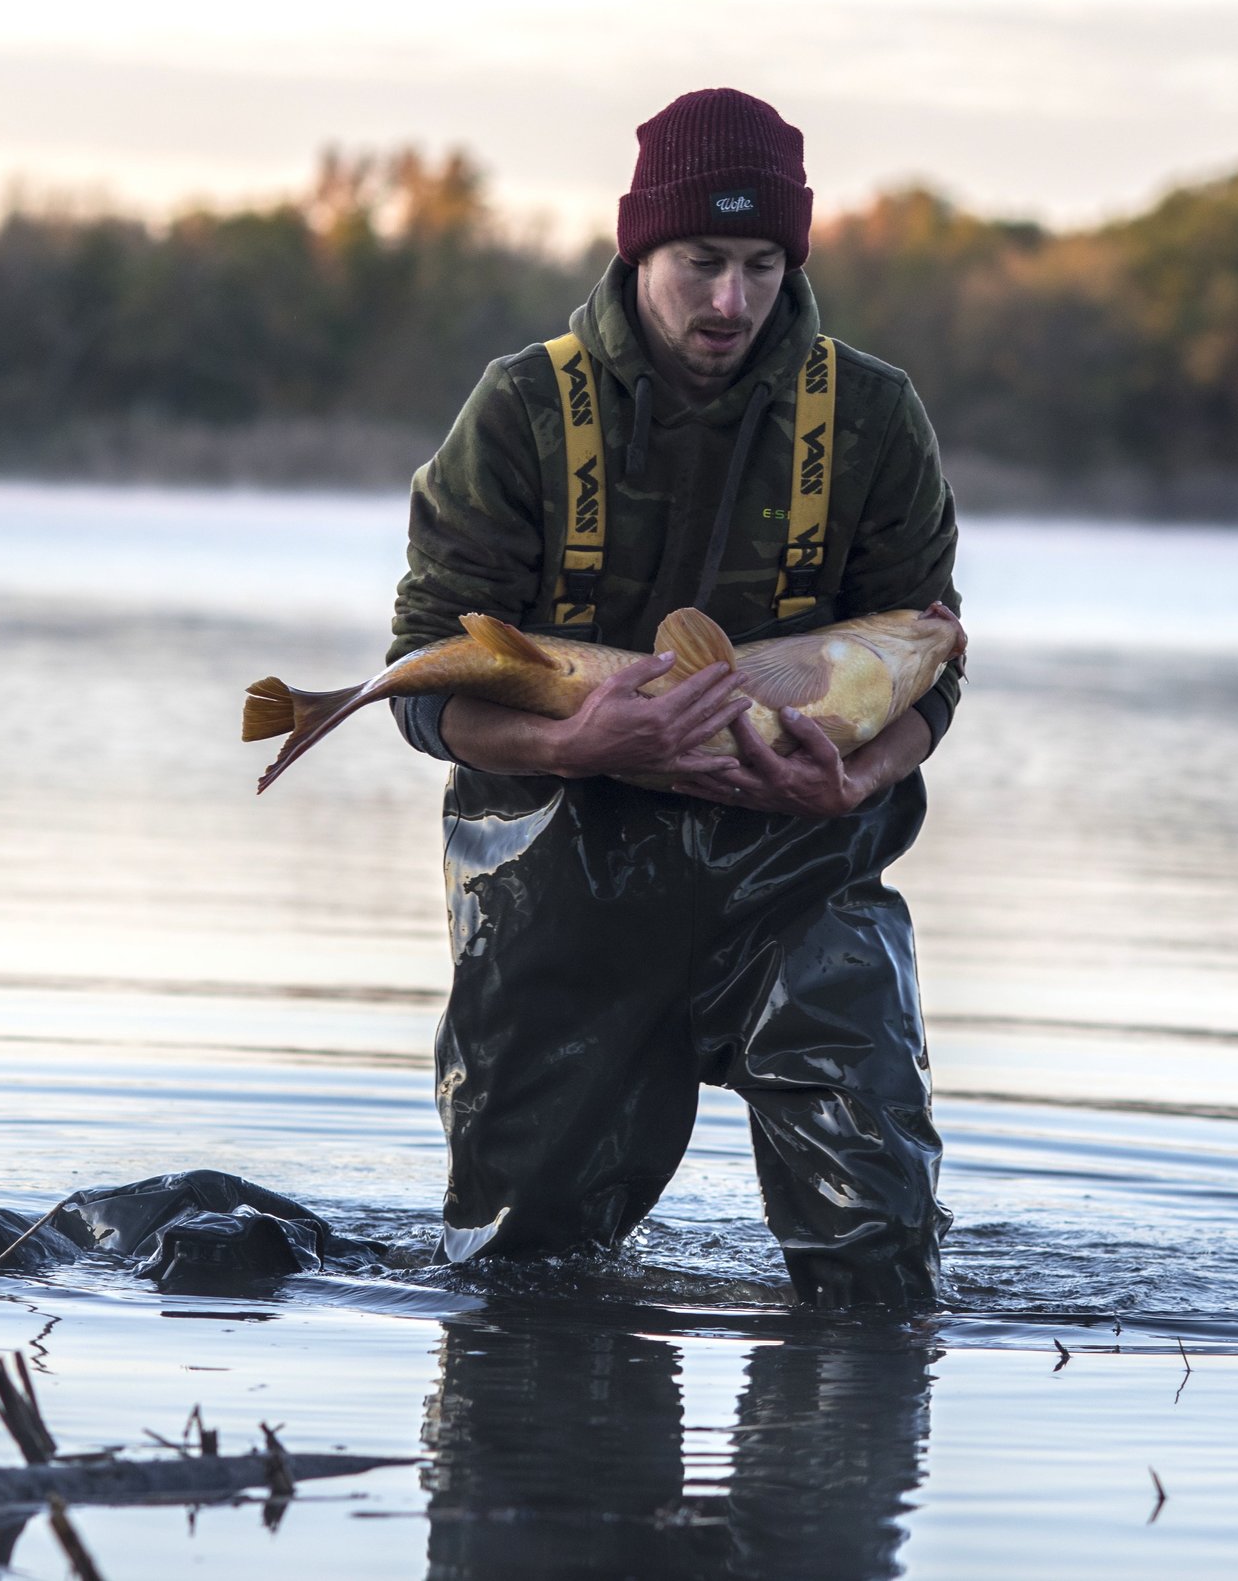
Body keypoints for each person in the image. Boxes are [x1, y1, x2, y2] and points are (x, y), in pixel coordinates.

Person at [387, 88, 963, 1309]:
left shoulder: (873, 417)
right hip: (560, 881)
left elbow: (935, 665)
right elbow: (423, 690)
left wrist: (856, 774)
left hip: (800, 871)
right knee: (517, 1273)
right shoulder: (520, 410)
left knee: (880, 1260)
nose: (729, 302)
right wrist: (583, 740)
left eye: (761, 265)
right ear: (638, 246)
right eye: (702, 261)